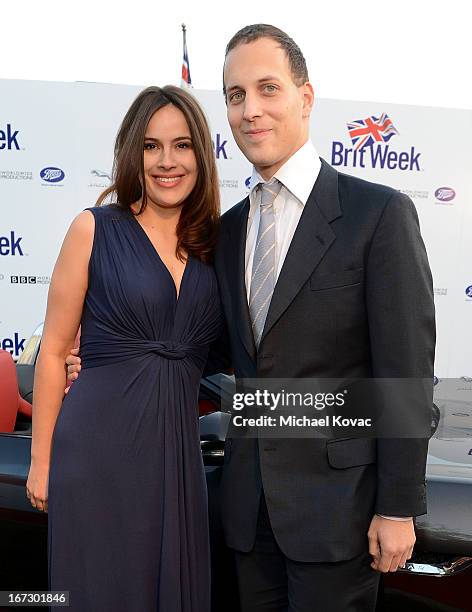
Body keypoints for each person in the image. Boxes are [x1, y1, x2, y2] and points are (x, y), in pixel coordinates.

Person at [67, 25, 435, 612]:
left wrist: (397, 508)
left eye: (268, 88)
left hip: (337, 515)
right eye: (236, 96)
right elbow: (215, 352)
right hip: (244, 513)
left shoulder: (378, 214)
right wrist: (115, 359)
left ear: (305, 98)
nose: (251, 110)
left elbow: (405, 380)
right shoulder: (228, 229)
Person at [26, 85, 222, 612]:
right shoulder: (95, 228)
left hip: (179, 458)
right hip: (97, 452)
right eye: (151, 146)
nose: (166, 161)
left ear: (201, 155)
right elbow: (53, 351)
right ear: (132, 152)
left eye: (181, 146)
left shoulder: (214, 245)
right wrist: (41, 461)